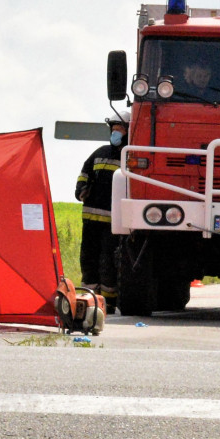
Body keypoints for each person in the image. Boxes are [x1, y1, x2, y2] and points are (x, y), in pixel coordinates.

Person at [75, 110, 129, 313]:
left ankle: (109, 302)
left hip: (112, 222)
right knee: (88, 258)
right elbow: (84, 174)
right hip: (90, 219)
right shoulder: (99, 153)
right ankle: (89, 298)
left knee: (108, 261)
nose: (116, 133)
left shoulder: (131, 156)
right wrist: (81, 190)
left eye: (120, 129)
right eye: (114, 128)